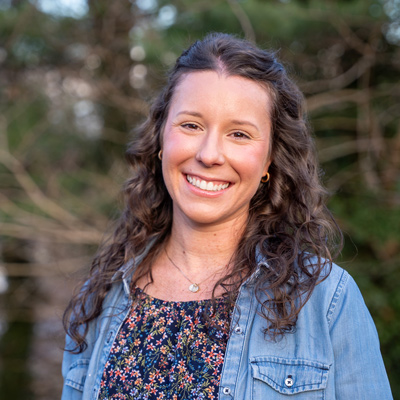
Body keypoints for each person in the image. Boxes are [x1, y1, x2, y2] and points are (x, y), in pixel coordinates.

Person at [61, 33, 393, 399]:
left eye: (239, 134)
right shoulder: (101, 298)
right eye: (191, 125)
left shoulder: (326, 301)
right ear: (160, 139)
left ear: (269, 160)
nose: (209, 154)